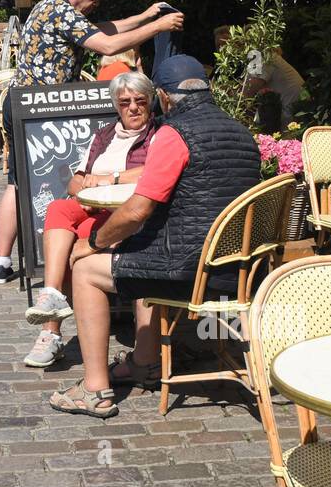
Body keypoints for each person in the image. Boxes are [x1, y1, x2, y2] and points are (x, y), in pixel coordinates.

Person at [46, 56, 261, 418]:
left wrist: (93, 243)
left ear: (162, 95)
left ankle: (94, 389)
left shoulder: (174, 135)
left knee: (85, 267)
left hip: (188, 272)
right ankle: (143, 363)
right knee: (140, 249)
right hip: (237, 271)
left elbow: (135, 211)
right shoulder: (241, 132)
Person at [0, 0, 185, 284]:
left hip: (26, 103)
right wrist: (158, 26)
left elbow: (103, 29)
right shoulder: (60, 11)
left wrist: (146, 16)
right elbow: (108, 45)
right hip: (36, 109)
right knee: (21, 182)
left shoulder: (57, 7)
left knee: (17, 181)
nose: (97, 2)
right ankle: (18, 257)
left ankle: (2, 262)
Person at [23, 71, 158, 368]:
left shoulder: (158, 135)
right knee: (59, 208)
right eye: (125, 102)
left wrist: (110, 178)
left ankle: (51, 333)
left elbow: (153, 169)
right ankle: (51, 297)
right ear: (116, 105)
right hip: (95, 211)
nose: (133, 108)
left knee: (74, 245)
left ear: (151, 102)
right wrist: (86, 185)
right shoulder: (105, 135)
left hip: (128, 219)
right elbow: (76, 179)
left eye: (140, 101)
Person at [213, 25, 306, 125]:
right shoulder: (265, 55)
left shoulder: (261, 56)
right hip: (294, 112)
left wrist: (217, 91)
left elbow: (245, 95)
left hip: (289, 117)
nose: (224, 49)